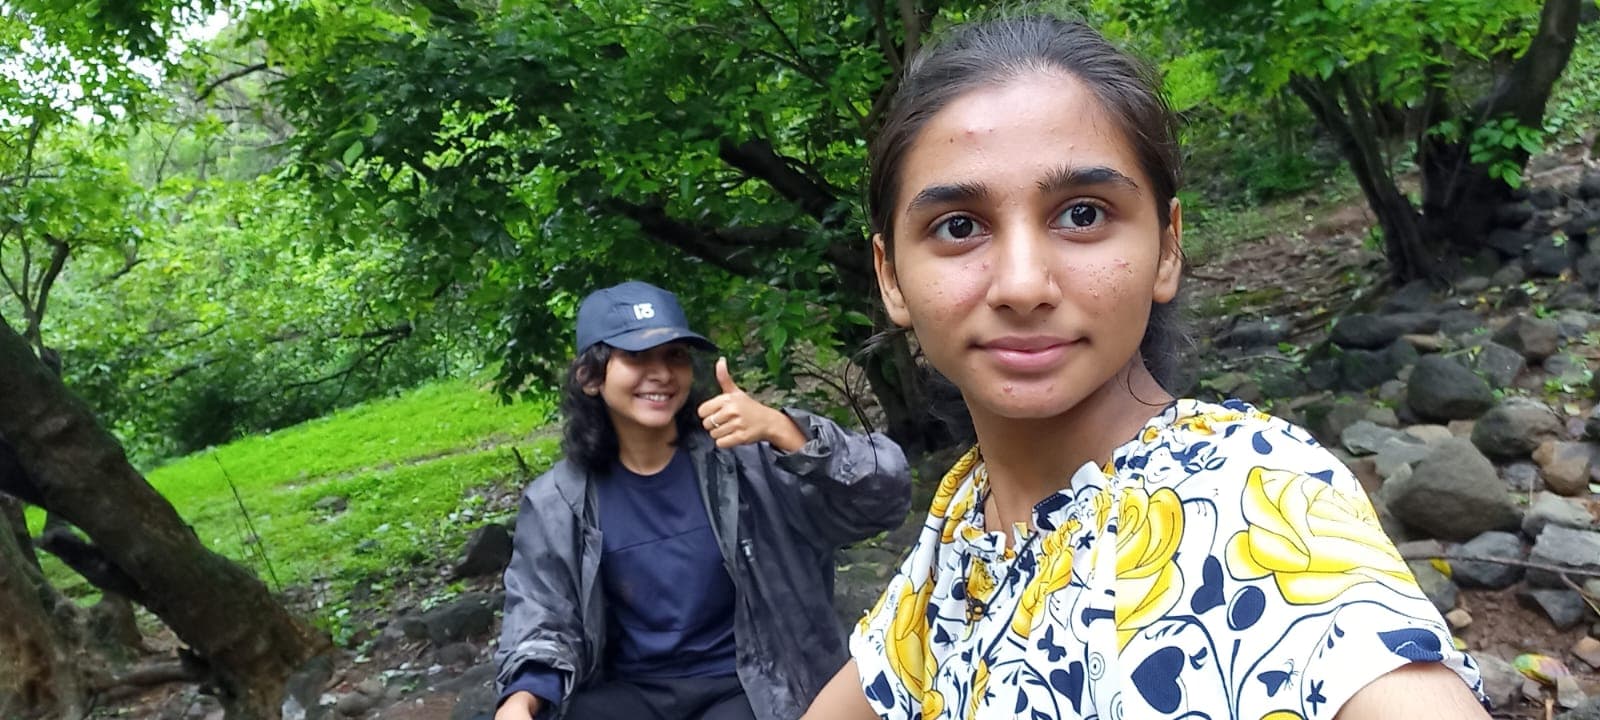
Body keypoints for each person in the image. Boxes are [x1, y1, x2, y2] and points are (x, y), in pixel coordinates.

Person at [803, 15, 1490, 720]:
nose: (1022, 285)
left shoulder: (1254, 496)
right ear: (891, 277)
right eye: (959, 226)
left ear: (1166, 248)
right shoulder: (964, 525)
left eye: (1082, 215)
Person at [493, 280, 913, 720]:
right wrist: (520, 699)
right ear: (590, 377)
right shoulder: (558, 501)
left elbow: (887, 496)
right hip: (634, 694)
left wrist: (782, 430)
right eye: (637, 357)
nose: (661, 373)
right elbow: (541, 614)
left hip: (750, 687)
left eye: (674, 355)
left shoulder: (747, 459)